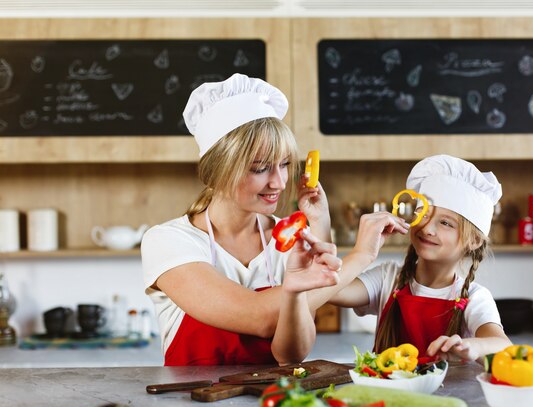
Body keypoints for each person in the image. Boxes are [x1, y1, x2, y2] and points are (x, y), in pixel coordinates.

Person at [141, 73, 343, 366]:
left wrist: (320, 225)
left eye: (285, 164)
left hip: (272, 405)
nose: (279, 182)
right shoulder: (169, 241)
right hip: (189, 406)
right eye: (260, 168)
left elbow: (293, 354)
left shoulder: (290, 242)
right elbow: (261, 318)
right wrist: (363, 255)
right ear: (218, 170)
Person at [329, 154, 512, 362]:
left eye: (445, 223)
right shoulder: (387, 278)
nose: (427, 228)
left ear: (475, 241)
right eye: (423, 214)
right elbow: (330, 290)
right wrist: (361, 254)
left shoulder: (475, 297)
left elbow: (503, 346)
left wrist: (472, 346)